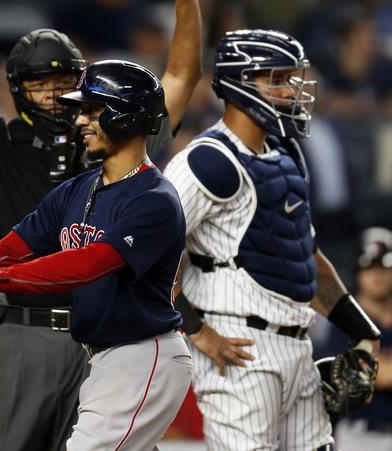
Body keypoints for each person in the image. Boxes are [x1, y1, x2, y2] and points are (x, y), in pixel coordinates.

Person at [0, 0, 202, 449]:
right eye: (41, 84)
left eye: (67, 85)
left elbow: (176, 80)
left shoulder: (132, 167)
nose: (59, 98)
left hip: (120, 338)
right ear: (18, 89)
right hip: (27, 328)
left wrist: (185, 4)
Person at [163, 29, 381, 451]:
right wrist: (197, 331)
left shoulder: (287, 153)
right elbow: (150, 254)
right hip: (237, 345)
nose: (291, 90)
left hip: (298, 344)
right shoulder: (205, 160)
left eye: (292, 78)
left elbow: (306, 259)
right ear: (238, 84)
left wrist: (364, 332)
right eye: (277, 79)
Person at [321, 227, 392, 449]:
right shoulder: (345, 319)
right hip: (360, 435)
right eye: (369, 268)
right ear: (357, 273)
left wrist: (377, 367)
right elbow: (358, 377)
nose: (377, 275)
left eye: (383, 267)